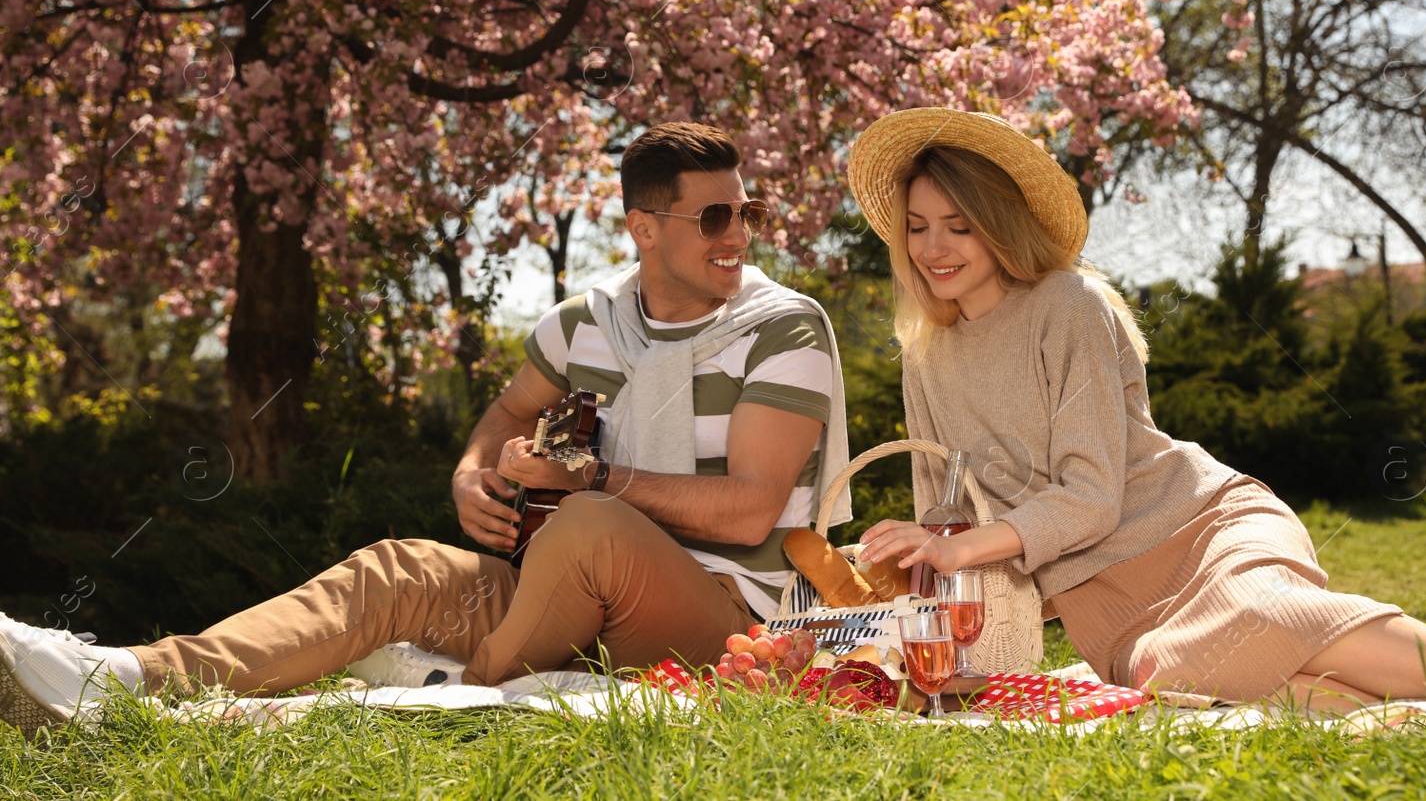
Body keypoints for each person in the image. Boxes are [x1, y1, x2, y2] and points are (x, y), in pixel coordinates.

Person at [0, 122, 850, 739]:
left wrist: (590, 484)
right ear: (643, 228)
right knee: (392, 568)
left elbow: (748, 512)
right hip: (569, 587)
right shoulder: (583, 323)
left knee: (589, 524)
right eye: (714, 218)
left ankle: (449, 694)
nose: (738, 233)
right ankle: (125, 677)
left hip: (724, 614)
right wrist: (471, 474)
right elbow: (509, 413)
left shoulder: (782, 328)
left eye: (747, 210)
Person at [848, 107, 1426, 714]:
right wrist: (917, 571)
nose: (934, 247)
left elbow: (1091, 496)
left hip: (1195, 529)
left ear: (999, 223)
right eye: (917, 226)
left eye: (958, 223)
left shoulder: (1066, 306)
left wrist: (962, 548)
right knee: (1175, 682)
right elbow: (945, 510)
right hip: (1104, 601)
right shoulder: (925, 353)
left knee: (1271, 618)